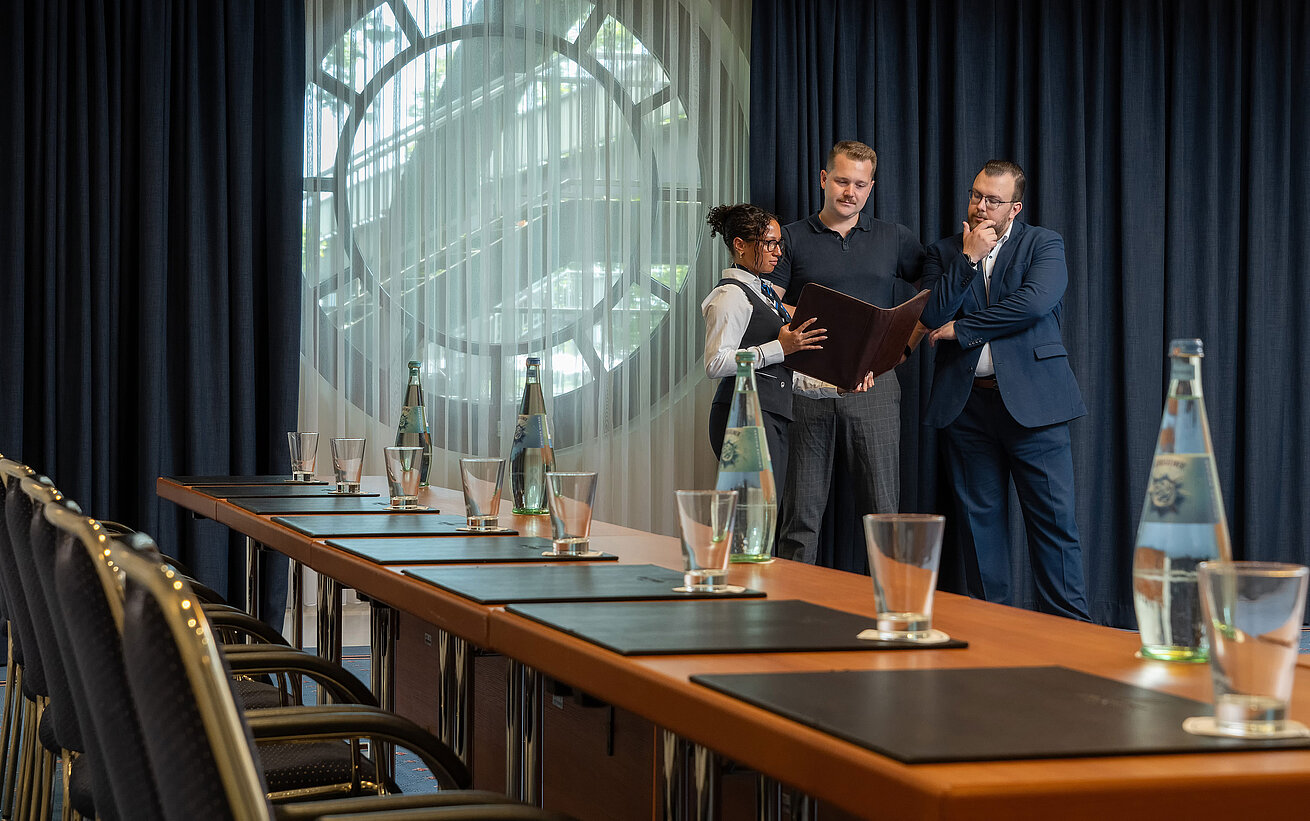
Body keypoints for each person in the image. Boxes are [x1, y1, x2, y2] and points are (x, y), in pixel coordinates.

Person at [920, 159, 1090, 621]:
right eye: (976, 195)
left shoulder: (1043, 244)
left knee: (1054, 527)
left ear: (1014, 207)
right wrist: (969, 258)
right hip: (967, 408)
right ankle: (992, 635)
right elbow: (932, 316)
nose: (980, 206)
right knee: (980, 530)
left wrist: (965, 329)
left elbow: (1034, 303)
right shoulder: (945, 252)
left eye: (992, 200)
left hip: (1036, 406)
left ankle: (1073, 635)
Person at [765, 141, 925, 567]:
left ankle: (892, 616)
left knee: (883, 513)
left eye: (859, 184)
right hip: (805, 388)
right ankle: (790, 619)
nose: (849, 192)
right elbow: (768, 304)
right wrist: (828, 321)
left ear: (870, 187)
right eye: (841, 181)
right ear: (823, 179)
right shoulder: (793, 238)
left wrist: (907, 341)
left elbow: (932, 290)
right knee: (800, 516)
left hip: (874, 386)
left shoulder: (894, 237)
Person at [702, 203, 830, 494]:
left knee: (766, 517)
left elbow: (779, 373)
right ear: (740, 245)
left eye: (779, 244)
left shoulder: (764, 292)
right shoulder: (731, 295)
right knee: (751, 517)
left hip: (769, 414)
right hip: (742, 415)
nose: (779, 252)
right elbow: (715, 363)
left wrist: (837, 387)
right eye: (770, 243)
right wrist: (779, 348)